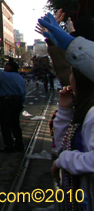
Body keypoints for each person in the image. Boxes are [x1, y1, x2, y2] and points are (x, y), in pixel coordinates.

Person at [52, 70, 94, 206]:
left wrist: (63, 161)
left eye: (72, 72)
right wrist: (64, 110)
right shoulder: (85, 110)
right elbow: (64, 147)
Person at [0, 58, 26, 153]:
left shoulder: (5, 75)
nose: (5, 67)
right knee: (15, 124)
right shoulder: (20, 77)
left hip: (7, 102)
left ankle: (9, 146)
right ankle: (19, 144)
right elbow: (23, 93)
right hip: (17, 102)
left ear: (10, 67)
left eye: (6, 65)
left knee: (5, 124)